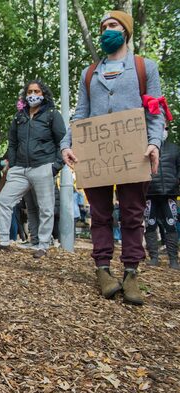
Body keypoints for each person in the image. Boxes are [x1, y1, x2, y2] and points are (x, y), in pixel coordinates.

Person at [61, 10, 166, 305]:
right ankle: (103, 269)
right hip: (96, 155)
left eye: (113, 25)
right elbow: (81, 113)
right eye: (104, 26)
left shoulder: (145, 67)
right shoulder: (89, 73)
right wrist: (67, 143)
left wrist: (154, 143)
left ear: (126, 31)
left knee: (132, 213)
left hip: (134, 152)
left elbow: (155, 110)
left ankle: (131, 272)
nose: (108, 30)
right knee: (100, 214)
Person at [0, 80, 64, 258]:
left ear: (44, 94)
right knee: (4, 200)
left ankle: (43, 245)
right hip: (20, 169)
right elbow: (12, 142)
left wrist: (55, 166)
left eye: (37, 91)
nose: (33, 95)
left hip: (43, 166)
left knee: (46, 208)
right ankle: (4, 241)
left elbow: (62, 141)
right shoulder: (19, 117)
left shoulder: (52, 114)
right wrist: (13, 164)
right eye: (30, 91)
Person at [144, 128, 180, 270]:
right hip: (149, 194)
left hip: (169, 194)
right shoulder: (144, 148)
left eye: (164, 128)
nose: (162, 131)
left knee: (171, 225)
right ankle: (154, 257)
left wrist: (176, 181)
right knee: (150, 225)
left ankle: (173, 259)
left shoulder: (175, 149)